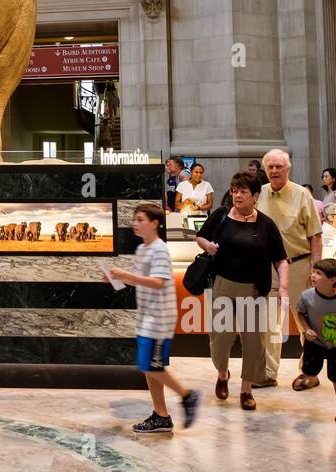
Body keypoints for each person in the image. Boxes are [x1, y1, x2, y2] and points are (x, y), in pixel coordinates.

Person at [196, 172, 288, 411]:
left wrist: (284, 287)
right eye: (235, 190)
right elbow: (200, 236)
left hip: (254, 289)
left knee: (252, 341)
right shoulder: (221, 215)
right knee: (221, 337)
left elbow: (281, 260)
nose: (237, 195)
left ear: (255, 196)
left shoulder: (266, 224)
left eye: (243, 192)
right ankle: (222, 373)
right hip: (223, 285)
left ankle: (246, 389)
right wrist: (207, 245)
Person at [105, 202, 199, 433]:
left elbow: (158, 281)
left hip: (159, 319)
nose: (135, 224)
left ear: (155, 223)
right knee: (150, 368)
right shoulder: (143, 249)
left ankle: (187, 395)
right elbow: (140, 277)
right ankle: (161, 415)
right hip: (147, 318)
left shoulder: (159, 249)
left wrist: (127, 275)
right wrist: (118, 278)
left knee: (150, 366)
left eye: (140, 220)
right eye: (135, 220)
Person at [256, 149, 322, 385]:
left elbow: (315, 234)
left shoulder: (302, 194)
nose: (274, 171)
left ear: (288, 169)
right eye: (270, 167)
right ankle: (267, 374)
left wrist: (317, 268)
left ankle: (310, 373)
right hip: (266, 269)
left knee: (306, 322)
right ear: (265, 170)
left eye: (279, 167)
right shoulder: (259, 193)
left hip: (298, 266)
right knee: (268, 324)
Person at [291, 258, 336, 423]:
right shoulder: (306, 296)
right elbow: (301, 314)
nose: (313, 275)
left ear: (332, 280)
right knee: (309, 369)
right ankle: (311, 378)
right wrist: (305, 329)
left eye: (318, 273)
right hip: (315, 341)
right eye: (313, 272)